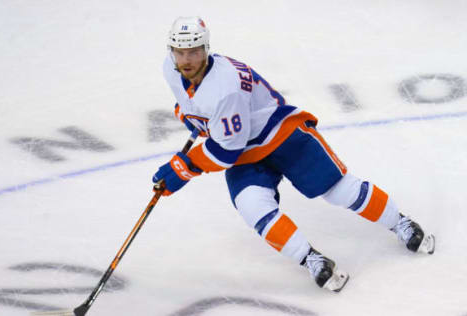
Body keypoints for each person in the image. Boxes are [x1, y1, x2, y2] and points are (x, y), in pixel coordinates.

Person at [152, 16, 435, 292]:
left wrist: (183, 168)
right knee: (253, 206)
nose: (186, 60)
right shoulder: (170, 68)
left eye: (194, 51)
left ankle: (401, 223)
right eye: (180, 52)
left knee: (339, 190)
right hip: (245, 150)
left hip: (281, 134)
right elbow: (191, 103)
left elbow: (226, 151)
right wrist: (190, 116)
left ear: (206, 49)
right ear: (171, 51)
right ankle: (311, 258)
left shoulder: (226, 88)